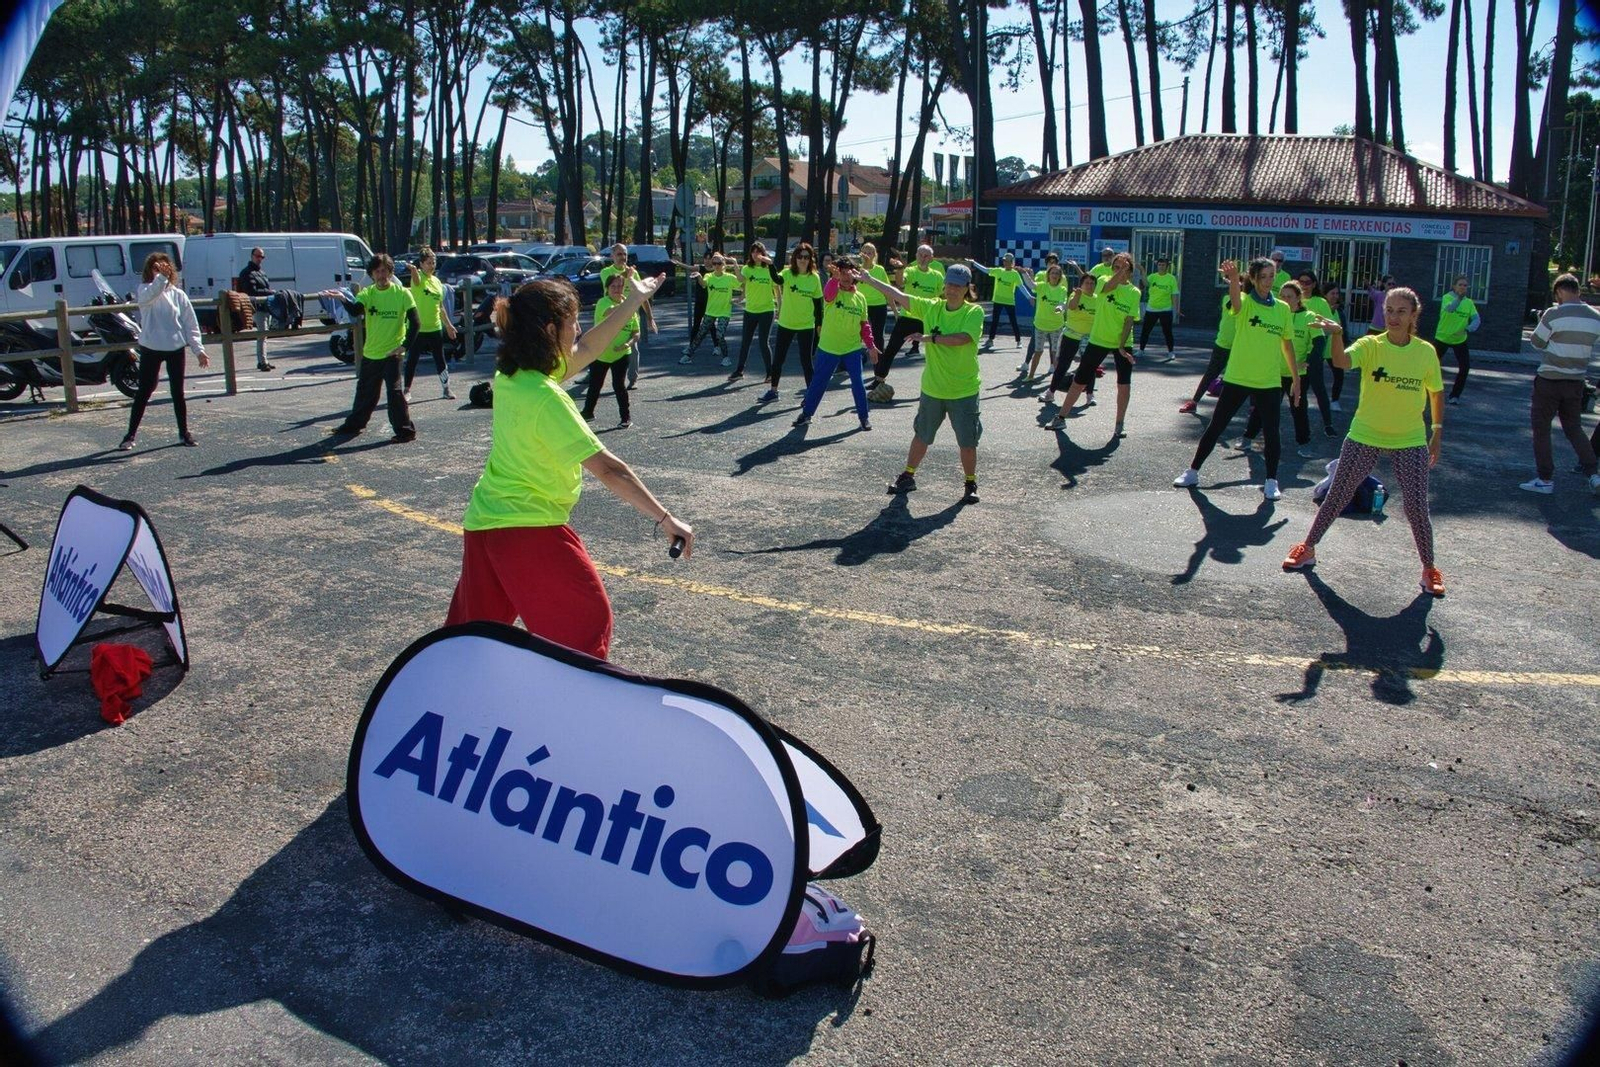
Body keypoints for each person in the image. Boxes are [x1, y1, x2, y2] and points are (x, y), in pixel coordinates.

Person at [445, 276, 692, 660]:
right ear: (549, 330)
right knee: (586, 622)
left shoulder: (512, 376)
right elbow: (609, 469)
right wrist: (666, 519)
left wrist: (634, 300)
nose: (578, 329)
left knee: (470, 640)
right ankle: (571, 696)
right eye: (573, 321)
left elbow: (590, 347)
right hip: (527, 528)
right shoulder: (546, 398)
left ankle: (446, 690)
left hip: (484, 524)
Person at [1282, 287, 1446, 597]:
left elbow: (1436, 392)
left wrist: (1436, 432)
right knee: (1338, 494)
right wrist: (1337, 334)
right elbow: (1341, 361)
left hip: (1409, 439)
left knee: (1416, 506)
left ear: (1414, 315)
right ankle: (1308, 548)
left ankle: (1429, 569)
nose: (1393, 317)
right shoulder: (1371, 344)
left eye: (1401, 311)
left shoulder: (1425, 352)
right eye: (1389, 310)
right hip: (1365, 434)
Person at [1172, 258, 1301, 500]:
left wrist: (1296, 378)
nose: (1268, 281)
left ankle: (1271, 481)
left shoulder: (1283, 309)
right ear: (1253, 278)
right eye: (1263, 276)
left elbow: (1287, 345)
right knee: (1216, 426)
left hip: (1268, 381)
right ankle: (1193, 471)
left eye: (1271, 276)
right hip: (1238, 378)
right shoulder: (1244, 302)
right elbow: (1236, 299)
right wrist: (1233, 279)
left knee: (1272, 432)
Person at [861, 263, 985, 503]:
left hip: (964, 390)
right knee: (921, 436)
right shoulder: (931, 307)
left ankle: (970, 482)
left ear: (967, 288)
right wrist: (869, 280)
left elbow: (962, 339)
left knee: (967, 442)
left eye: (958, 286)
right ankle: (908, 476)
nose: (952, 290)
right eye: (950, 284)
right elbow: (898, 295)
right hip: (933, 388)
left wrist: (930, 338)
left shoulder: (974, 312)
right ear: (944, 285)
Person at [319, 254, 419, 442]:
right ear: (372, 274)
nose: (381, 275)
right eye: (377, 272)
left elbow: (415, 323)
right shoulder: (367, 293)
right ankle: (354, 425)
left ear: (391, 273)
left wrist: (403, 346)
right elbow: (355, 310)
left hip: (392, 353)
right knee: (365, 392)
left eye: (385, 271)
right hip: (371, 353)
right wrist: (342, 298)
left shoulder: (402, 293)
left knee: (395, 393)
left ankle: (405, 432)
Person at [1519, 273, 1600, 494]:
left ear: (1560, 291)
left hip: (1549, 380)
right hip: (1576, 381)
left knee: (1542, 428)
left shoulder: (1553, 314)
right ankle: (1593, 474)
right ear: (1578, 290)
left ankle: (1545, 479)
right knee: (1574, 428)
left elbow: (1536, 342)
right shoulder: (1595, 317)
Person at [120, 252, 209, 451]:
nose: (160, 271)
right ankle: (130, 435)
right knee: (145, 391)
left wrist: (199, 350)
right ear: (149, 271)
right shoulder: (145, 290)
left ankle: (184, 433)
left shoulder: (178, 294)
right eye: (156, 268)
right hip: (151, 347)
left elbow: (190, 324)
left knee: (178, 392)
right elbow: (150, 295)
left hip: (175, 348)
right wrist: (161, 278)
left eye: (164, 267)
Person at [1047, 251, 1141, 438]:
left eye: (1124, 268)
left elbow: (1129, 320)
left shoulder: (1134, 292)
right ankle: (1061, 417)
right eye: (1116, 267)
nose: (1119, 270)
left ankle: (1119, 424)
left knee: (1124, 384)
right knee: (1080, 380)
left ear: (1131, 271)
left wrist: (1122, 346)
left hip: (1122, 341)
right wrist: (1119, 272)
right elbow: (1109, 286)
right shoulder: (1104, 280)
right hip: (1098, 339)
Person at [793, 255, 878, 432]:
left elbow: (864, 325)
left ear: (855, 275)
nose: (846, 276)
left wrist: (871, 346)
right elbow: (828, 295)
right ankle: (806, 414)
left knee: (858, 383)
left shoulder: (861, 298)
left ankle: (864, 418)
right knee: (819, 382)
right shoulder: (832, 289)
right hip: (828, 347)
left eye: (849, 273)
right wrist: (834, 278)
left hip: (852, 348)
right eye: (842, 273)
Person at [1241, 280, 1314, 459]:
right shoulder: (1274, 314)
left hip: (1297, 375)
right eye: (1282, 296)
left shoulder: (1308, 317)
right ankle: (1247, 438)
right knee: (1262, 407)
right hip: (1273, 372)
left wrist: (1306, 362)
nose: (1285, 299)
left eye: (1290, 296)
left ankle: (1304, 443)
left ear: (1298, 298)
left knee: (1298, 409)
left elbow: (1319, 344)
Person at [869, 245, 944, 394]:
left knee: (936, 352)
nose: (923, 258)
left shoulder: (937, 276)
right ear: (916, 256)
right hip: (907, 317)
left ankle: (938, 383)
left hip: (927, 319)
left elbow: (942, 296)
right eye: (920, 255)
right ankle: (879, 379)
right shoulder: (910, 270)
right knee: (891, 349)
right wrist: (899, 269)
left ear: (931, 258)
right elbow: (900, 282)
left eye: (926, 256)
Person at [762, 243, 822, 402]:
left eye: (806, 257)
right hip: (786, 323)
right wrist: (770, 265)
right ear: (795, 258)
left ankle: (810, 395)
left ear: (810, 259)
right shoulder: (788, 273)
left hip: (806, 325)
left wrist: (819, 325)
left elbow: (818, 304)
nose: (803, 260)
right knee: (778, 360)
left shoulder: (814, 278)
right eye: (800, 256)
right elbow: (777, 279)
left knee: (806, 361)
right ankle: (773, 391)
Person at [582, 274, 638, 428]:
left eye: (620, 286)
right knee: (595, 384)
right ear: (607, 288)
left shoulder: (630, 307)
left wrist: (627, 344)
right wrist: (630, 303)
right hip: (600, 353)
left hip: (621, 354)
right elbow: (609, 312)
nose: (617, 289)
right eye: (613, 286)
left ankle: (626, 418)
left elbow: (636, 332)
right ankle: (588, 412)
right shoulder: (603, 302)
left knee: (619, 386)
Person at [402, 248, 458, 401]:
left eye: (433, 263)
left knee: (440, 358)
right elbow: (416, 280)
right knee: (412, 359)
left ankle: (446, 388)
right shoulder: (418, 277)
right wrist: (413, 270)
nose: (431, 266)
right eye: (428, 263)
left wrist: (449, 325)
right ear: (421, 264)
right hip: (418, 328)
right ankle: (406, 390)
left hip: (435, 327)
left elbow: (440, 307)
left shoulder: (437, 281)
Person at [601, 243, 657, 388]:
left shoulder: (633, 273)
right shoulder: (606, 272)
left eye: (625, 254)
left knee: (633, 349)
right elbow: (614, 282)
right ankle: (593, 373)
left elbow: (641, 296)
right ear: (612, 256)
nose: (623, 257)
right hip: (612, 316)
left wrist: (650, 317)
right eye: (619, 254)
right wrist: (628, 276)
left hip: (630, 317)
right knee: (601, 346)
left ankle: (632, 379)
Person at [1042, 268, 1098, 408]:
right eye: (1086, 283)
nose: (1089, 285)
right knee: (1063, 365)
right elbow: (1072, 307)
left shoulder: (1098, 299)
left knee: (1089, 367)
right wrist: (1078, 295)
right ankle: (1050, 392)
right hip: (1071, 335)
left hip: (1088, 338)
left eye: (1092, 283)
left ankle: (1090, 395)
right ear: (1081, 284)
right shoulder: (1075, 294)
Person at [1179, 292, 1237, 414]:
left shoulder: (1249, 302)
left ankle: (1253, 408)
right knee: (1211, 373)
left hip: (1239, 347)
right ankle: (1194, 402)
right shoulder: (1227, 298)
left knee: (1244, 378)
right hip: (1222, 343)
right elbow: (1232, 305)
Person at [1296, 270, 1338, 436]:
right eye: (1301, 281)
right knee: (1299, 391)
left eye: (1307, 282)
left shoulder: (1320, 302)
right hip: (1296, 355)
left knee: (1319, 390)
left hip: (1313, 354)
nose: (1303, 285)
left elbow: (1329, 327)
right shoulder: (1294, 300)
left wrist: (1317, 331)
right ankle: (1302, 426)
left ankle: (1328, 424)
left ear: (1314, 284)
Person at [680, 253, 738, 365]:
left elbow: (743, 284)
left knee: (719, 335)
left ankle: (726, 358)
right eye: (714, 263)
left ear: (723, 264)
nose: (716, 266)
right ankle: (688, 356)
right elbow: (703, 284)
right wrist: (698, 276)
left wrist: (740, 298)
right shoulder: (709, 276)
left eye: (719, 263)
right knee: (700, 334)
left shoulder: (730, 278)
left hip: (724, 312)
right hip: (710, 311)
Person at [732, 242, 777, 382]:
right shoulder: (747, 268)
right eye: (753, 252)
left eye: (758, 251)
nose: (756, 254)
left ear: (763, 253)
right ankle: (739, 371)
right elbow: (740, 280)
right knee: (745, 341)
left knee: (764, 342)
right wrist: (735, 264)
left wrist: (780, 308)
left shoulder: (768, 269)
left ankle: (770, 373)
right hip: (750, 311)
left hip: (767, 311)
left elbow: (777, 289)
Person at [1432, 275, 1480, 405]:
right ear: (1454, 286)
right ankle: (1427, 390)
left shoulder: (1469, 303)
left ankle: (1455, 396)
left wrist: (1470, 328)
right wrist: (1459, 298)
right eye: (1460, 285)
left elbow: (1476, 319)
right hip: (1442, 338)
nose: (1463, 287)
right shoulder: (1446, 297)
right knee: (1431, 365)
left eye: (1465, 285)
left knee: (1465, 367)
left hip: (1459, 340)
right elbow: (1450, 309)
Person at [1024, 262, 1070, 383]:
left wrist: (1058, 309)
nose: (1054, 275)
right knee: (1038, 351)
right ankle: (1030, 376)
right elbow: (1031, 285)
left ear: (1060, 276)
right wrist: (1024, 274)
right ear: (1048, 275)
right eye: (1052, 273)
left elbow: (1063, 303)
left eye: (1057, 274)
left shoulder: (1062, 289)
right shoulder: (1042, 286)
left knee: (1055, 352)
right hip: (1040, 325)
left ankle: (1057, 380)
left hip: (1056, 325)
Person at [967, 254, 1023, 349]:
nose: (1005, 262)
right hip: (998, 300)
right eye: (1004, 260)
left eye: (1007, 261)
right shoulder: (998, 271)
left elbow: (1021, 287)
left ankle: (1018, 341)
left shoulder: (1015, 274)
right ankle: (990, 341)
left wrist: (1029, 297)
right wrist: (974, 263)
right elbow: (986, 270)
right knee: (995, 321)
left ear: (1011, 262)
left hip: (1009, 301)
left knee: (1013, 321)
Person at [236, 247, 276, 371]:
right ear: (252, 256)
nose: (260, 259)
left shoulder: (262, 273)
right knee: (262, 333)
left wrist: (269, 293)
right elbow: (251, 291)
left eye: (262, 257)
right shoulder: (246, 273)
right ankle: (262, 362)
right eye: (257, 256)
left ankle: (264, 360)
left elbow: (264, 288)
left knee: (264, 334)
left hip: (265, 306)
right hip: (255, 307)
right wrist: (270, 292)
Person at [1136, 256, 1179, 362]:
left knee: (1167, 332)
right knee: (1145, 330)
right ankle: (1141, 350)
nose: (1161, 267)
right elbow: (1145, 284)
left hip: (1166, 309)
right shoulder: (1153, 276)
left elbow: (1174, 294)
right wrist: (1142, 271)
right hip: (1151, 309)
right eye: (1159, 265)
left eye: (1163, 265)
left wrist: (1176, 309)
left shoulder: (1171, 278)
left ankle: (1171, 352)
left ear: (1167, 266)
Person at [859, 243, 892, 360]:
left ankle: (879, 363)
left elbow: (888, 290)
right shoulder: (857, 269)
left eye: (870, 253)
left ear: (874, 255)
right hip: (861, 306)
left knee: (878, 335)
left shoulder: (880, 270)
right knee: (856, 334)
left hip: (879, 306)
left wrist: (895, 311)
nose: (867, 255)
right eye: (865, 252)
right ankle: (853, 360)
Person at [1325, 284, 1349, 409]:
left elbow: (1344, 331)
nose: (1335, 296)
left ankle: (1334, 400)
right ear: (1325, 295)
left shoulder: (1340, 312)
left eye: (1337, 293)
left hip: (1334, 350)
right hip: (1319, 348)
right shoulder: (1320, 308)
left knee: (1339, 375)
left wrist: (1345, 346)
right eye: (1332, 293)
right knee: (1309, 377)